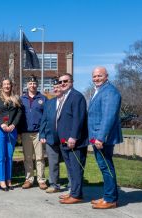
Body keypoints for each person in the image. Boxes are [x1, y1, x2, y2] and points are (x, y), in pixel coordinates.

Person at [88, 67, 122, 209]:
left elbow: (108, 117)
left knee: (106, 167)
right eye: (94, 76)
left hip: (102, 139)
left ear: (106, 76)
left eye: (99, 76)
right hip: (97, 136)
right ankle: (108, 195)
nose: (96, 78)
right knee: (105, 167)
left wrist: (101, 138)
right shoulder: (100, 91)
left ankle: (110, 199)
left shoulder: (110, 92)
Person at [56, 73, 88, 204]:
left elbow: (78, 119)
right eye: (60, 81)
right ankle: (74, 191)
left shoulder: (77, 96)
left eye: (65, 81)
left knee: (76, 169)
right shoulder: (65, 97)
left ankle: (76, 195)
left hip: (74, 142)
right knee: (70, 169)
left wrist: (73, 137)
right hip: (64, 141)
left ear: (72, 82)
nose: (62, 83)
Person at [0, 78, 22, 191]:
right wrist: (1, 124)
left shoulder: (16, 98)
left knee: (9, 156)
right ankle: (2, 180)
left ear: (11, 86)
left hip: (12, 130)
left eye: (8, 84)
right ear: (2, 86)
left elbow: (19, 112)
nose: (7, 86)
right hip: (1, 130)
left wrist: (14, 124)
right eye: (4, 84)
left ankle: (9, 179)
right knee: (1, 156)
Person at [39, 78, 68, 193]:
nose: (56, 89)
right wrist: (42, 134)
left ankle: (72, 185)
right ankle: (54, 184)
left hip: (65, 138)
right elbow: (44, 120)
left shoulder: (68, 100)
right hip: (51, 137)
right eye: (54, 88)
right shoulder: (49, 102)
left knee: (68, 162)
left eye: (58, 87)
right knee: (53, 162)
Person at [20, 75, 48, 190]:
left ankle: (41, 180)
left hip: (39, 133)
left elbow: (47, 116)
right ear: (27, 85)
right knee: (27, 157)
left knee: (40, 157)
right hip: (26, 132)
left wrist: (44, 132)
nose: (32, 85)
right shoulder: (22, 99)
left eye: (34, 83)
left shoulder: (43, 98)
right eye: (30, 83)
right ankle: (29, 179)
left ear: (37, 85)